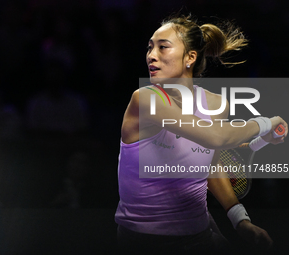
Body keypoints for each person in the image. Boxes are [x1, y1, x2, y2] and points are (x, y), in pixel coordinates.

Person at [114, 14, 287, 255]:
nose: (151, 55)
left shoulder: (216, 104)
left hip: (201, 233)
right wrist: (266, 124)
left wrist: (240, 219)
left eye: (163, 47)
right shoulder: (145, 100)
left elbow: (210, 164)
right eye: (150, 47)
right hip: (145, 242)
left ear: (190, 58)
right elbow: (215, 137)